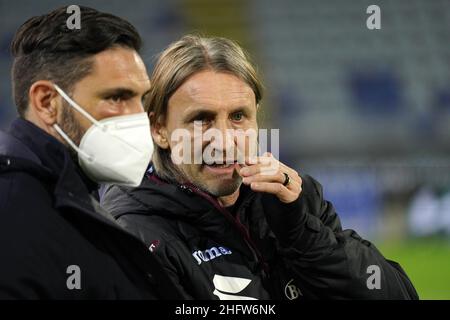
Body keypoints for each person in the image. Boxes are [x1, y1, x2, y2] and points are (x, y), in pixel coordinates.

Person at [101, 35, 419, 300]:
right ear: (159, 129)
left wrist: (301, 235)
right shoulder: (135, 235)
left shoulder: (293, 198)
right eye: (201, 119)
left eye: (238, 116)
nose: (225, 140)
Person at [0, 6, 180, 299]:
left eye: (141, 99)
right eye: (117, 97)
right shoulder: (12, 213)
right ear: (47, 103)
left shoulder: (73, 197)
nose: (138, 117)